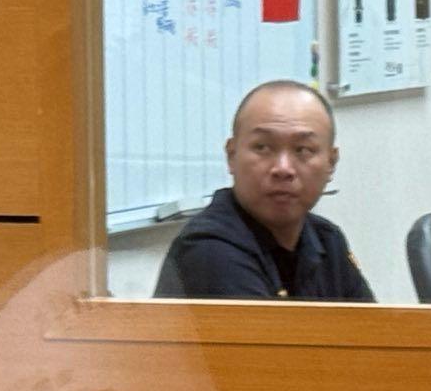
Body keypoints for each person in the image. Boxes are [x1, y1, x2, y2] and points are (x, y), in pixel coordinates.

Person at [154, 80, 375, 302]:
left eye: (303, 150)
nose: (283, 168)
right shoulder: (209, 249)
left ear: (331, 163)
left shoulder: (327, 239)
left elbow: (377, 333)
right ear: (232, 155)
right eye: (263, 148)